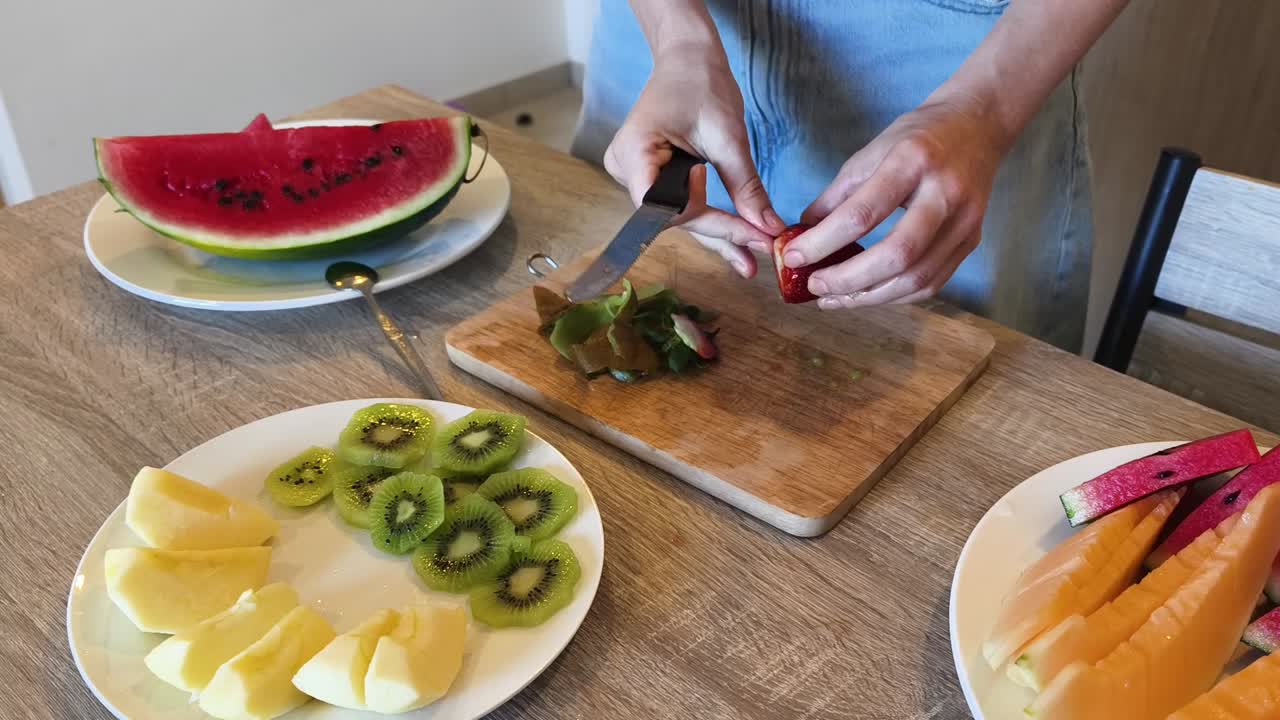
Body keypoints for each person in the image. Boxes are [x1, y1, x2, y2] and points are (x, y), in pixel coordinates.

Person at [571, 0, 1130, 353]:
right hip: (658, 38)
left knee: (970, 375)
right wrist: (678, 37)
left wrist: (986, 110)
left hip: (969, 56)